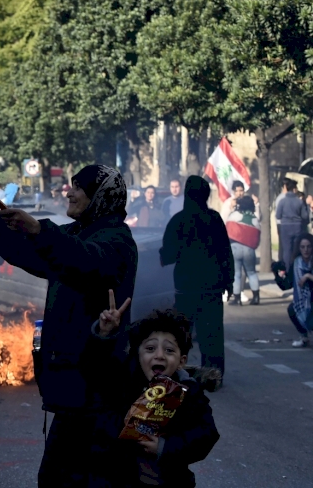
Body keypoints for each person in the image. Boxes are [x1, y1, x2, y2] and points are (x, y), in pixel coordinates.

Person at [0, 164, 138, 487]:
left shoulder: (117, 241)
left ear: (100, 197)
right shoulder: (78, 233)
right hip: (73, 386)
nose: (68, 191)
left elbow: (85, 260)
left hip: (97, 390)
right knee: (56, 479)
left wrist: (40, 230)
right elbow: (23, 250)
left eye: (78, 187)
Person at [89, 300, 220, 487]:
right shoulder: (123, 383)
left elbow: (206, 435)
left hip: (170, 479)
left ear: (181, 360)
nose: (159, 355)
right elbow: (97, 369)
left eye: (169, 350)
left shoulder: (189, 393)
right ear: (138, 354)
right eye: (150, 349)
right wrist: (104, 333)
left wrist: (164, 447)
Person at [160, 175, 233, 378]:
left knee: (181, 335)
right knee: (212, 334)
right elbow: (225, 252)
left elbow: (167, 255)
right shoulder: (215, 219)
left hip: (186, 289)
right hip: (212, 289)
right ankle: (213, 374)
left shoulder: (179, 221)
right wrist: (229, 281)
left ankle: (175, 374)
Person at [226, 195, 261, 306]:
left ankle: (237, 299)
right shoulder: (255, 218)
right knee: (251, 272)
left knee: (236, 274)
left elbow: (227, 231)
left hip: (234, 247)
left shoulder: (234, 215)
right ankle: (256, 297)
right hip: (249, 249)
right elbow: (257, 237)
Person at [276, 178, 307, 271]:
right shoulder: (299, 201)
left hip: (285, 227)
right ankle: (297, 269)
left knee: (286, 250)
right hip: (297, 226)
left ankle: (287, 270)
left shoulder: (282, 201)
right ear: (294, 189)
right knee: (297, 249)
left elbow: (278, 216)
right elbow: (305, 216)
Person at [288, 234, 313, 348]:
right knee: (292, 309)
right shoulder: (296, 263)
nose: (306, 250)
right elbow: (286, 284)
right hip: (304, 301)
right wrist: (277, 275)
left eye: (308, 246)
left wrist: (308, 276)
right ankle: (304, 337)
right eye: (302, 247)